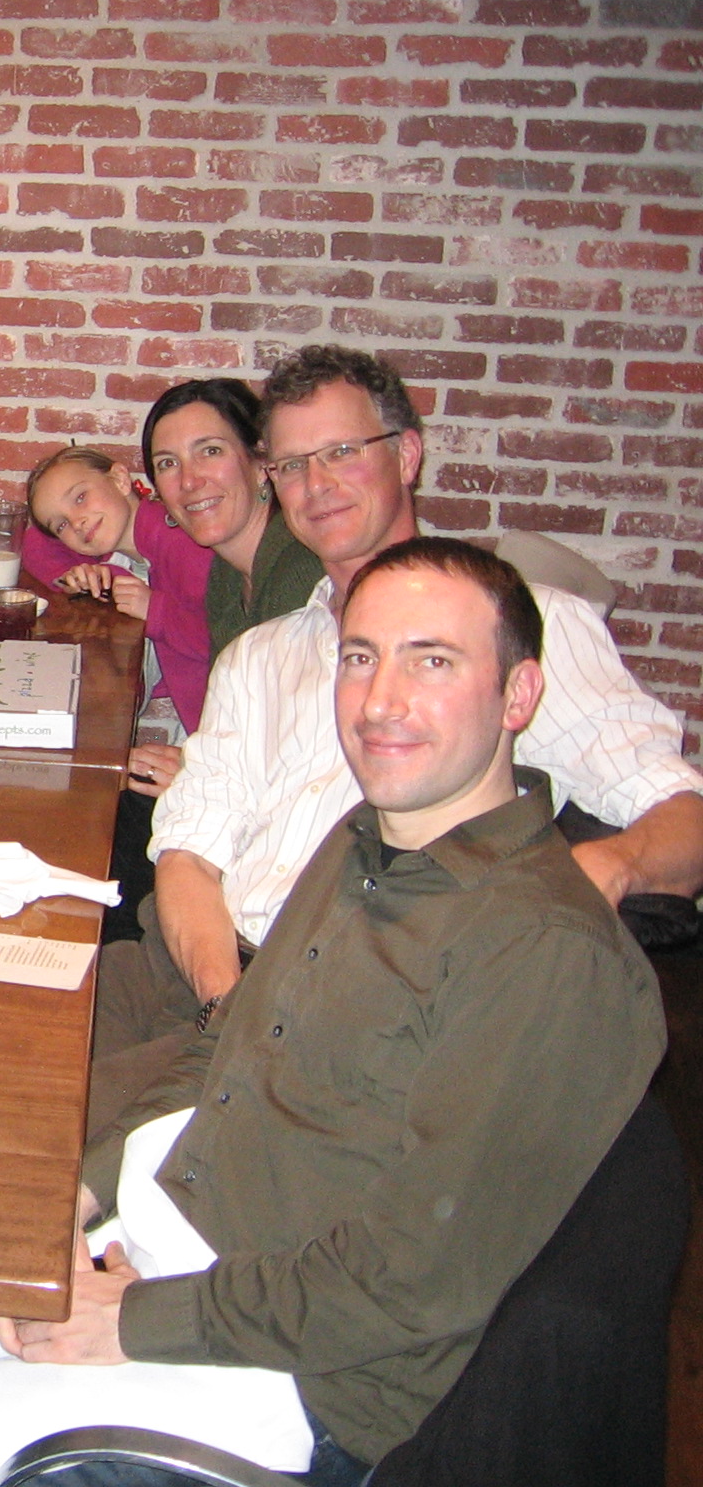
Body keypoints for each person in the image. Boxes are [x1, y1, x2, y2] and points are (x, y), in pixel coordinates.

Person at [0, 538, 666, 1487]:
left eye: (432, 661)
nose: (380, 701)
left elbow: (408, 1281)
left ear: (518, 695)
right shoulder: (362, 845)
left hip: (295, 1380)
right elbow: (226, 1045)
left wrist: (129, 1322)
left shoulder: (545, 952)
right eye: (361, 657)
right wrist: (82, 1195)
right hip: (180, 1240)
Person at [92, 344, 703, 1122]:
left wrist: (601, 869)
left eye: (343, 452)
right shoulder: (262, 654)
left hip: (327, 1023)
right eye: (293, 465)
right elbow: (188, 852)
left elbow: (685, 818)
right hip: (195, 969)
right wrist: (224, 999)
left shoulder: (518, 627)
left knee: (27, 1152)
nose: (317, 485)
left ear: (407, 455)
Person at [122, 378, 324, 798]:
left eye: (210, 451)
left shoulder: (301, 574)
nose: (189, 481)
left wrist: (197, 779)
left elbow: (309, 766)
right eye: (168, 463)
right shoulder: (226, 576)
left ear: (260, 462)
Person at [21, 444, 213, 735]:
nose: (76, 522)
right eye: (61, 525)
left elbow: (228, 642)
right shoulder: (128, 543)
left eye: (80, 497)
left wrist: (155, 610)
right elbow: (35, 541)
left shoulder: (179, 542)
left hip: (231, 730)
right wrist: (82, 575)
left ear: (120, 480)